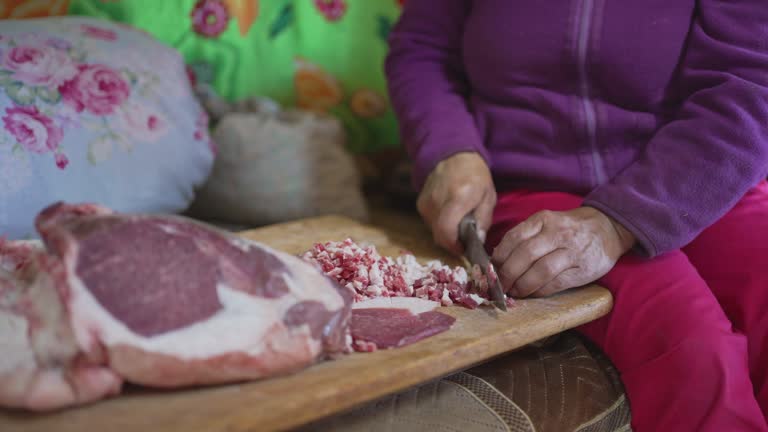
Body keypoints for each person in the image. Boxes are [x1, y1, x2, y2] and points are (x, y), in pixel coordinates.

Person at [384, 1, 768, 431]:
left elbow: (753, 82)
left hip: (704, 172)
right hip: (535, 188)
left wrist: (618, 221)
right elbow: (422, 49)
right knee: (691, 350)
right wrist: (449, 149)